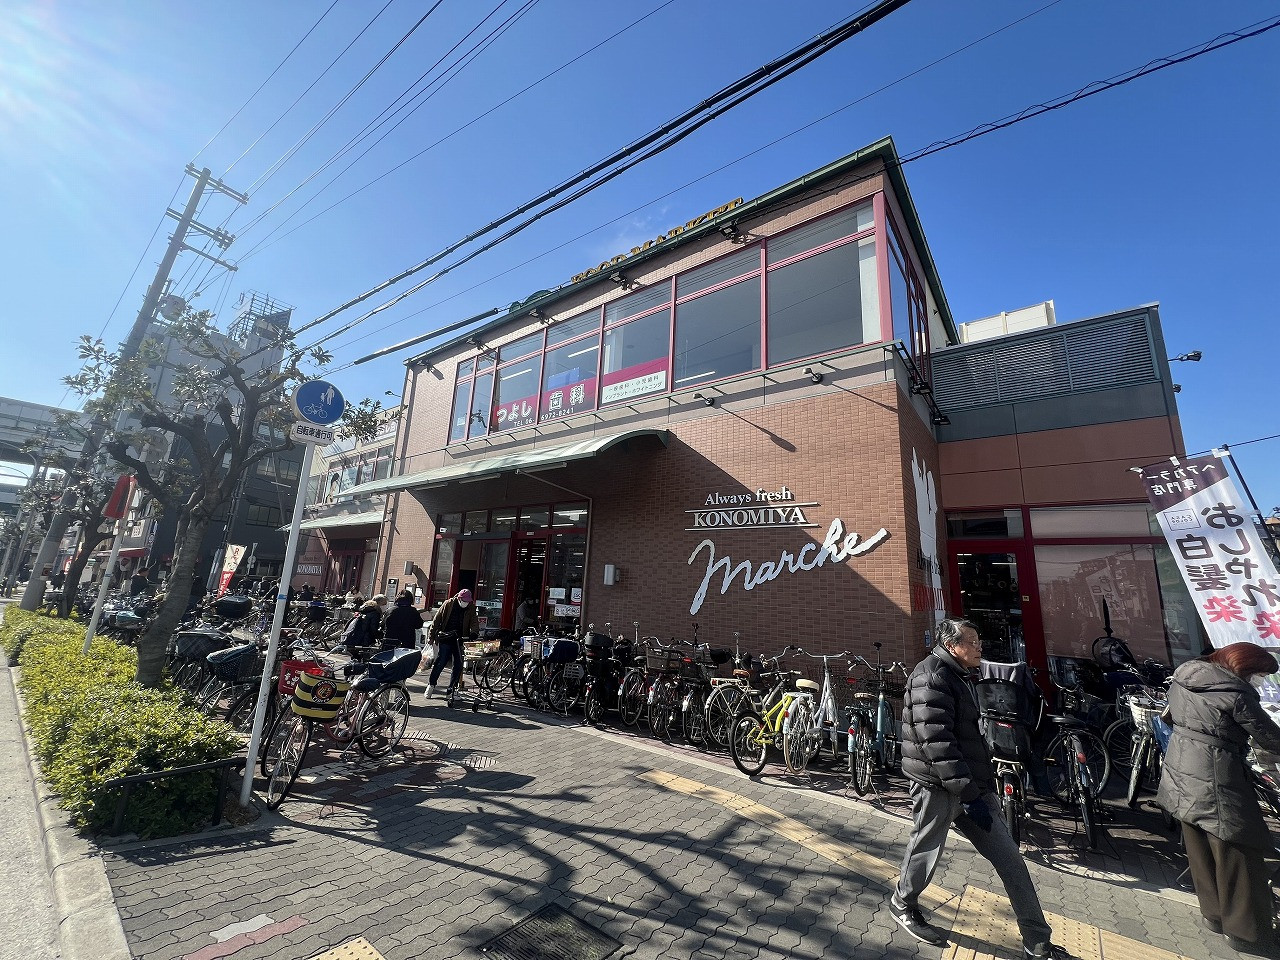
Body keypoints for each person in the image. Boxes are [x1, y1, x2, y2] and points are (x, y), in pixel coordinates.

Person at [892, 618, 1063, 958]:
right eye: (971, 641)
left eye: (978, 640)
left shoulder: (959, 674)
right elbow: (937, 744)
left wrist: (978, 789)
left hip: (971, 787)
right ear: (952, 645)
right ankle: (902, 903)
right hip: (937, 787)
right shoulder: (932, 676)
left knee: (1010, 859)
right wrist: (970, 795)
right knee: (925, 850)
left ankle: (1037, 942)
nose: (979, 646)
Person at [1157, 642, 1280, 956]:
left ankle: (1214, 916)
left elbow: (1169, 717)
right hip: (1217, 775)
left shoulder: (1184, 676)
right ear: (1244, 666)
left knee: (1200, 846)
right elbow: (1270, 737)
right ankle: (1247, 934)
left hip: (1180, 767)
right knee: (1239, 851)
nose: (1260, 681)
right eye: (1259, 674)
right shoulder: (1235, 693)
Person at [428, 588, 477, 697]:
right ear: (459, 598)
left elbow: (474, 621)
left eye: (468, 601)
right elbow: (437, 619)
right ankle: (431, 684)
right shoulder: (448, 604)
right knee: (441, 662)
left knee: (458, 665)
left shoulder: (471, 607)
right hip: (446, 637)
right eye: (464, 601)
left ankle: (451, 689)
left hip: (460, 640)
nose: (466, 603)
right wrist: (431, 636)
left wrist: (474, 633)